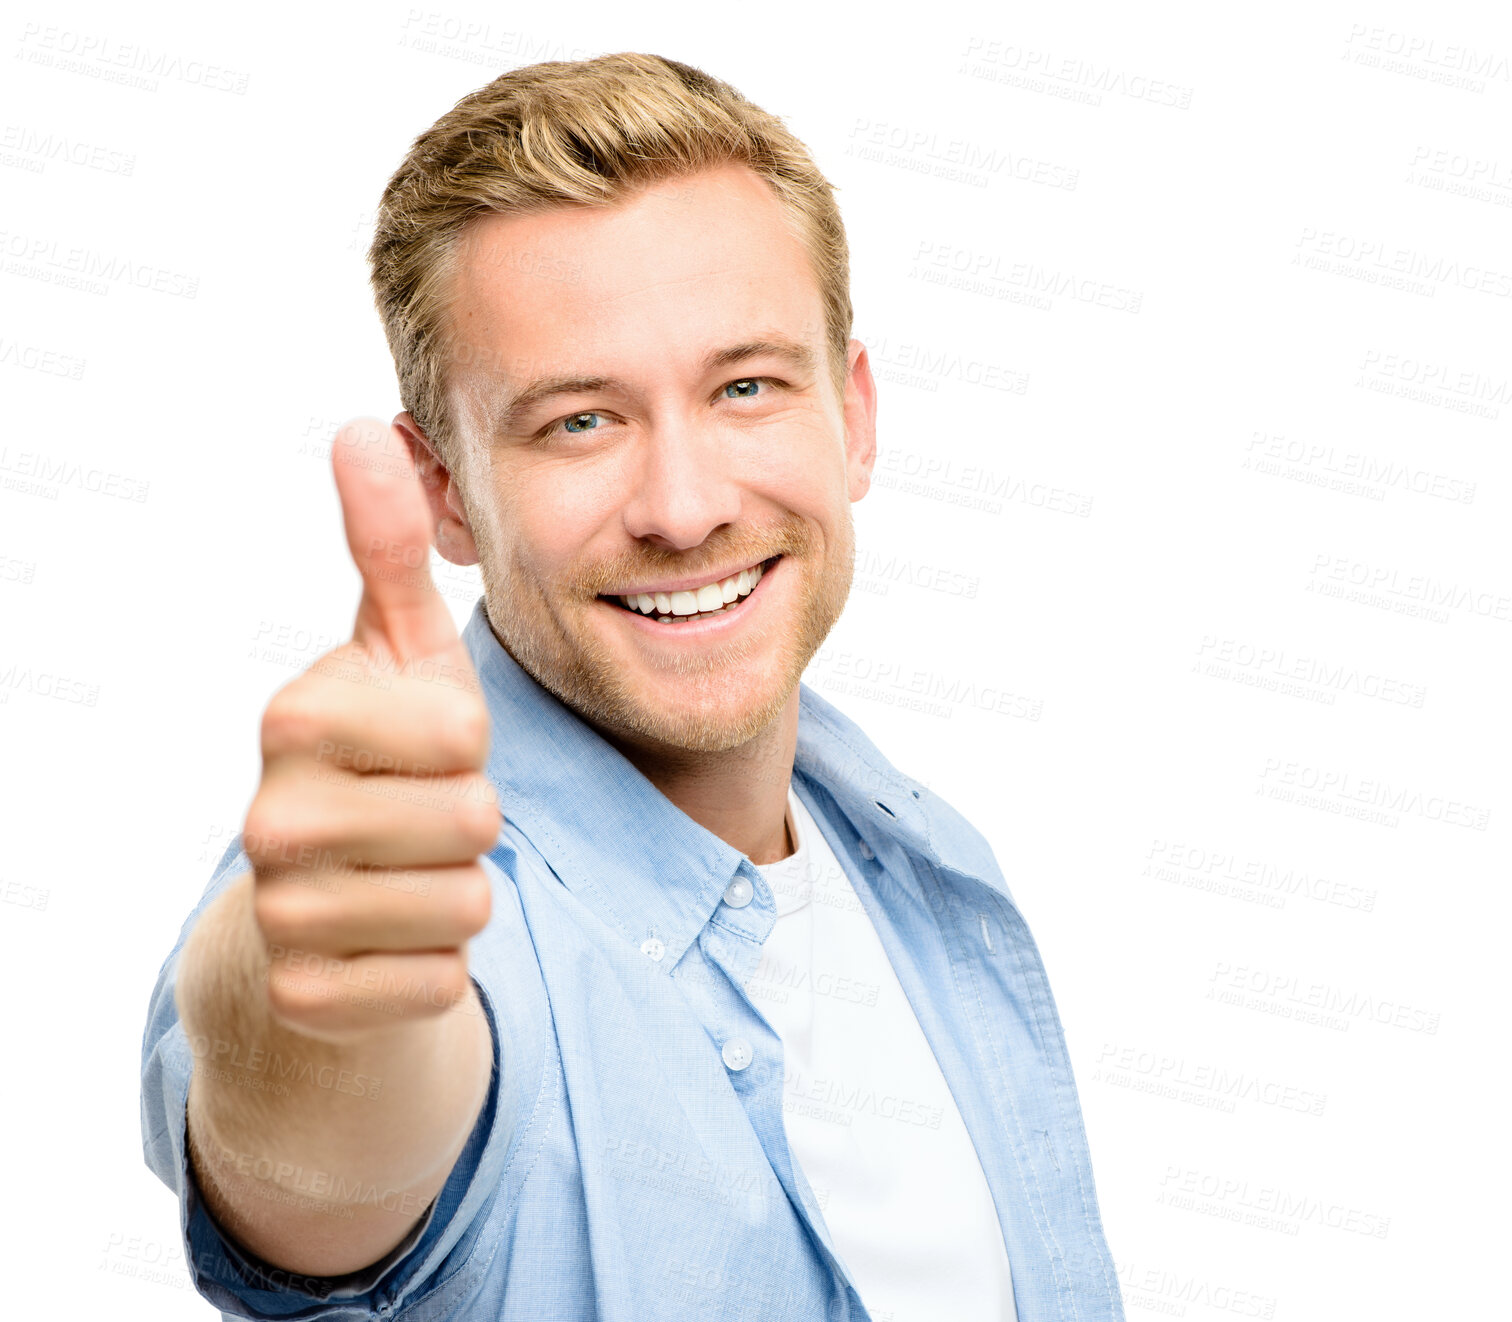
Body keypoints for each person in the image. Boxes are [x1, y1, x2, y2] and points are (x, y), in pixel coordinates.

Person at [141, 51, 1125, 1321]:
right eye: (579, 422)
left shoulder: (923, 864)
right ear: (443, 489)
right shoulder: (422, 905)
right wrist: (317, 1012)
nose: (687, 507)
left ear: (855, 415)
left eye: (748, 387)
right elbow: (326, 1154)